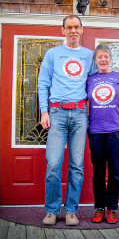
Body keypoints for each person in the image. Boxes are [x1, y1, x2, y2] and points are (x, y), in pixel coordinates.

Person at [38, 15, 97, 226]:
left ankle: (71, 210)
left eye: (76, 27)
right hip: (57, 113)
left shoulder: (90, 56)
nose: (73, 30)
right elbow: (43, 83)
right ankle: (52, 210)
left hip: (81, 114)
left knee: (77, 165)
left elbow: (96, 85)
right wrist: (44, 111)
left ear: (82, 30)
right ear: (63, 30)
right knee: (53, 163)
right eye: (69, 27)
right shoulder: (53, 54)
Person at [86, 44, 119, 224]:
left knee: (114, 172)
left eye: (106, 56)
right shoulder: (90, 79)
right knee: (98, 173)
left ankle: (112, 208)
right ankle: (99, 208)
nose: (103, 60)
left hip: (115, 132)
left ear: (110, 59)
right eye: (99, 57)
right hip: (96, 132)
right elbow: (82, 102)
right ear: (95, 60)